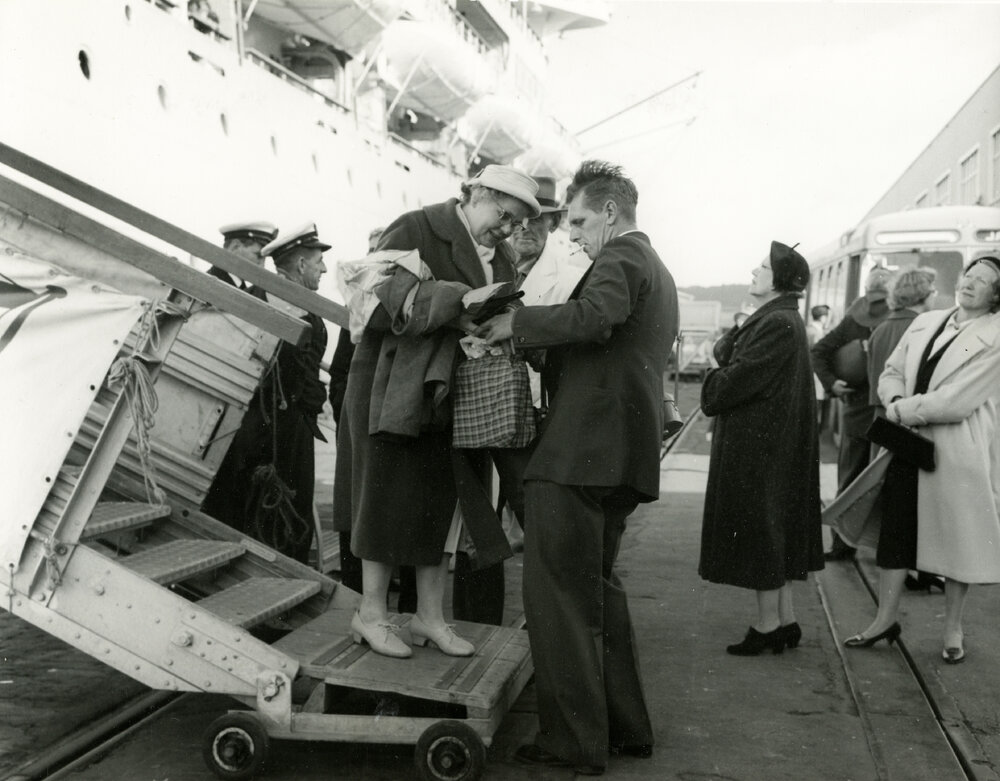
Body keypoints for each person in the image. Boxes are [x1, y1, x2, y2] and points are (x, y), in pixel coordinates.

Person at [476, 160, 676, 775]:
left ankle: (572, 742)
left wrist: (516, 324)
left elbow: (594, 319)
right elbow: (605, 345)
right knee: (596, 593)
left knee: (558, 598)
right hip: (619, 455)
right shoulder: (658, 270)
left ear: (611, 213)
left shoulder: (620, 258)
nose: (577, 235)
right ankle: (623, 727)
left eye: (582, 221)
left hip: (579, 454)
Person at [335, 165, 541, 659]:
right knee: (383, 498)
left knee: (440, 503)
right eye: (502, 214)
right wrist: (457, 301)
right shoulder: (417, 226)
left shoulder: (504, 260)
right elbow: (369, 307)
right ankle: (371, 614)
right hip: (392, 390)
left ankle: (428, 617)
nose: (507, 229)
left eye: (514, 223)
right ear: (475, 194)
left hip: (448, 393)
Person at [844, 257, 1000, 663]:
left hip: (956, 448)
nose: (970, 284)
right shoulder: (925, 322)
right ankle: (884, 619)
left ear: (996, 296)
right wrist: (894, 399)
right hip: (907, 441)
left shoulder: (995, 336)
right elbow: (891, 371)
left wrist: (898, 411)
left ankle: (953, 629)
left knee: (956, 539)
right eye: (970, 275)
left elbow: (956, 402)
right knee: (895, 533)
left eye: (983, 281)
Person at [699, 241, 824, 656]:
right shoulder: (780, 317)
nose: (755, 270)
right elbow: (729, 356)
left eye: (764, 267)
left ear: (781, 280)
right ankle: (785, 620)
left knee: (761, 532)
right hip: (769, 443)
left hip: (760, 448)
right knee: (774, 527)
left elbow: (731, 381)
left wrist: (715, 382)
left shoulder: (776, 323)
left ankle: (767, 625)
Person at [201, 224, 330, 564]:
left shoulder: (290, 300)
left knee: (276, 509)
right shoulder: (277, 301)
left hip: (285, 426)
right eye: (318, 263)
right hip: (271, 431)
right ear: (300, 265)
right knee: (269, 507)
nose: (325, 270)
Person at [812, 267, 892, 561]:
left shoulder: (851, 321)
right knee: (889, 478)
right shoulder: (903, 321)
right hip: (889, 410)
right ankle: (886, 548)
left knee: (850, 477)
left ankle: (842, 544)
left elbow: (818, 352)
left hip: (857, 410)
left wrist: (833, 383)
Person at [329, 226, 384, 593]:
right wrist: (346, 421)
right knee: (353, 512)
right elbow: (339, 375)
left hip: (390, 428)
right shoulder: (357, 307)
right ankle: (354, 595)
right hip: (357, 426)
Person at [210, 221, 278, 290]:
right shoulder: (208, 285)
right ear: (235, 247)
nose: (263, 266)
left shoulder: (240, 287)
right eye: (258, 256)